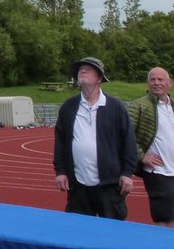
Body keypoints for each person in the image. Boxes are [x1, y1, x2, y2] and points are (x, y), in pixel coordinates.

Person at [53, 56, 138, 220]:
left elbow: (129, 142)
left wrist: (128, 173)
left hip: (109, 184)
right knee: (79, 232)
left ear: (99, 78)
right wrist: (61, 171)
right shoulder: (68, 107)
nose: (82, 70)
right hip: (78, 184)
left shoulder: (115, 107)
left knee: (112, 233)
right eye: (80, 69)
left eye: (88, 69)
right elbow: (60, 142)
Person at [129, 66, 174, 227]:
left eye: (160, 79)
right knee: (162, 219)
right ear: (147, 84)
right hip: (157, 172)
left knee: (173, 217)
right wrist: (142, 156)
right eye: (152, 79)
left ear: (170, 83)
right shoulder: (138, 106)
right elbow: (125, 135)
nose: (156, 83)